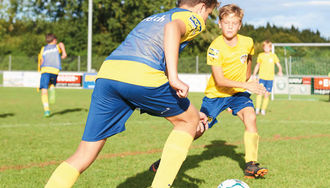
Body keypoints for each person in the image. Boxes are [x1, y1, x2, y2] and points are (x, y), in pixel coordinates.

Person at [45, 0, 218, 187]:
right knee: (190, 121)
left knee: (84, 153)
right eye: (209, 14)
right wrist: (175, 79)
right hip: (141, 73)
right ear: (201, 7)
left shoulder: (152, 18)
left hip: (108, 75)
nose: (206, 19)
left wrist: (183, 102)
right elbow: (173, 29)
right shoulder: (193, 18)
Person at [149, 4, 268, 179]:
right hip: (216, 96)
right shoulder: (215, 47)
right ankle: (165, 160)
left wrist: (248, 80)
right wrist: (246, 85)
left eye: (234, 23)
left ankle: (251, 165)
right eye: (226, 22)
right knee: (197, 129)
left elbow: (248, 59)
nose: (229, 26)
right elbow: (219, 80)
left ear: (240, 25)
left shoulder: (248, 42)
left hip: (238, 94)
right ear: (219, 24)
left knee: (251, 117)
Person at [38, 33, 67, 117]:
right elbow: (61, 44)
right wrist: (64, 53)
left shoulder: (43, 48)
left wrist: (40, 69)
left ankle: (47, 110)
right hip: (55, 71)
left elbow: (41, 60)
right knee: (51, 84)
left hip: (45, 70)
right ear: (54, 40)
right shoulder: (57, 47)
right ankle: (52, 87)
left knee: (44, 89)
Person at [253, 40, 283, 115]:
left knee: (266, 95)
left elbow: (278, 65)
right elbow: (257, 65)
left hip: (270, 79)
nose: (266, 48)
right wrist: (254, 74)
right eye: (265, 46)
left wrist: (280, 71)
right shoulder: (261, 55)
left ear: (270, 48)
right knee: (259, 93)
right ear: (263, 47)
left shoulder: (273, 56)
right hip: (262, 78)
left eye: (268, 47)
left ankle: (263, 110)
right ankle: (257, 110)